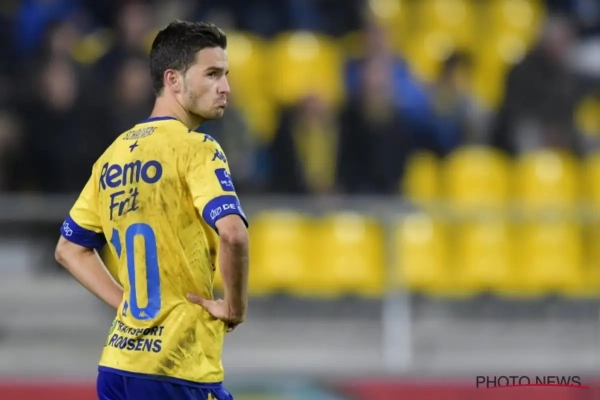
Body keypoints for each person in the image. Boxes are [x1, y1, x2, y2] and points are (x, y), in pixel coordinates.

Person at [54, 21, 249, 400]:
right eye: (212, 74)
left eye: (225, 74)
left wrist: (125, 304)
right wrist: (235, 307)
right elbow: (233, 233)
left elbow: (69, 249)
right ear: (173, 80)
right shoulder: (197, 148)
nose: (225, 86)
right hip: (177, 368)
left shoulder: (113, 156)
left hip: (118, 365)